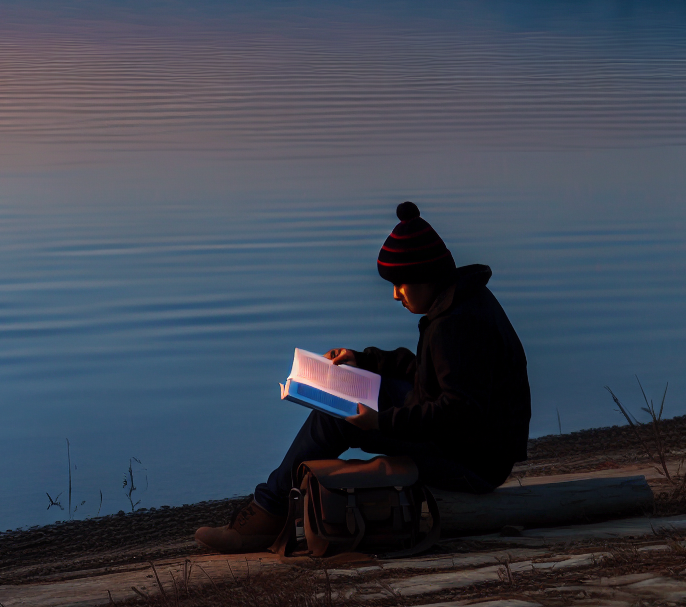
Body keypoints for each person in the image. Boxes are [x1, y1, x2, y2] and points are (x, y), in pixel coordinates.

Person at [195, 201, 531, 554]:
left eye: (401, 284)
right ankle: (274, 505)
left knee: (340, 417)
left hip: (473, 463)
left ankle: (268, 512)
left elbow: (459, 411)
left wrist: (381, 422)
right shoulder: (459, 302)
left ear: (427, 275)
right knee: (349, 393)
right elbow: (429, 372)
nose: (395, 294)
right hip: (470, 445)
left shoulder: (456, 324)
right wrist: (364, 360)